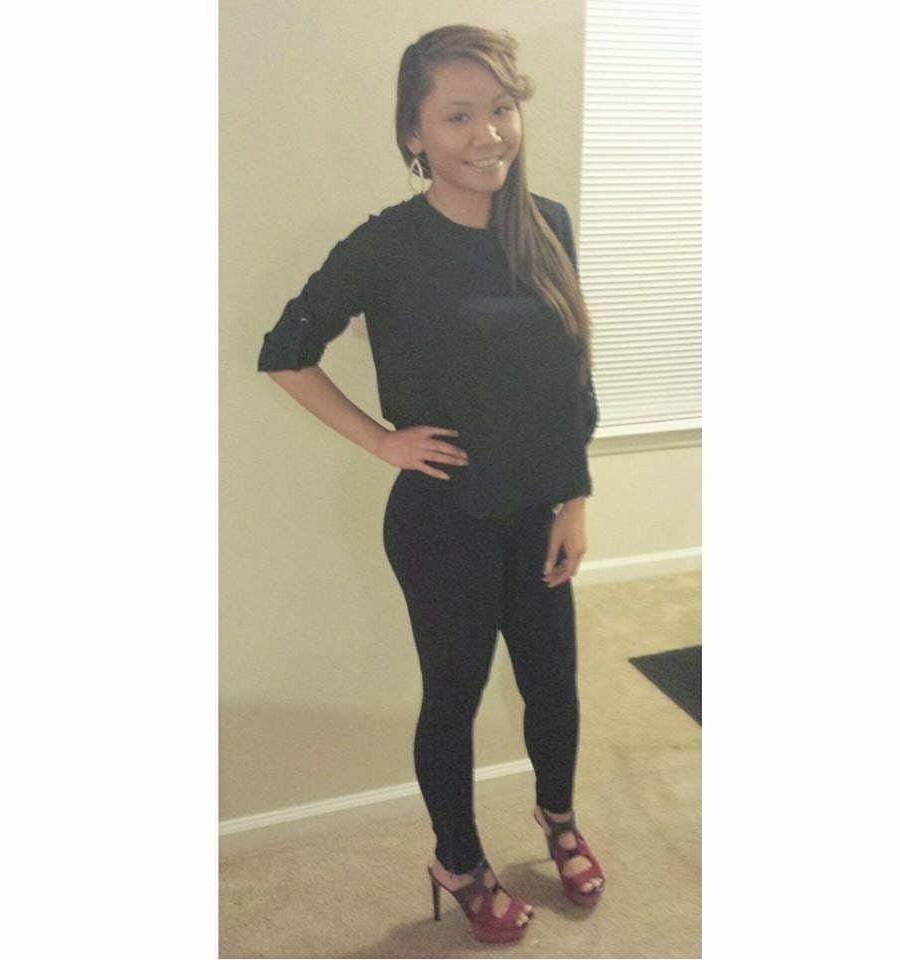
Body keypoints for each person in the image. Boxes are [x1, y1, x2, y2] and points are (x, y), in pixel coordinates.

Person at [257, 24, 605, 945]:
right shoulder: (388, 247)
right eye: (459, 116)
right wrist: (381, 441)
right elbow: (284, 351)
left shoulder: (548, 224)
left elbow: (572, 378)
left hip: (539, 510)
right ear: (414, 134)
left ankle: (559, 819)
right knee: (453, 698)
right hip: (443, 520)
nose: (488, 134)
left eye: (501, 109)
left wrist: (574, 498)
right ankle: (459, 860)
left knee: (555, 688)